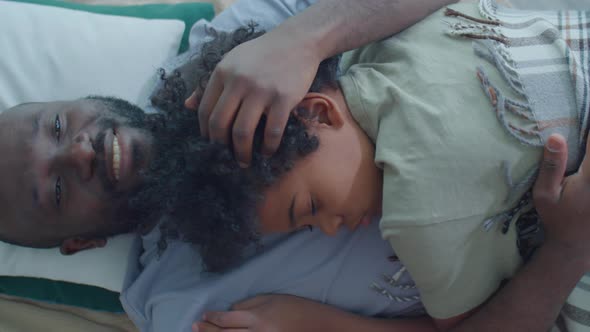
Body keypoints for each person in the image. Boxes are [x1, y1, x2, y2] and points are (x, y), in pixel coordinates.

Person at [181, 1, 590, 331]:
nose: (327, 229)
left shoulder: (418, 216)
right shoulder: (376, 40)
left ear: (319, 114)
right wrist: (303, 39)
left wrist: (319, 324)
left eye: (309, 208)